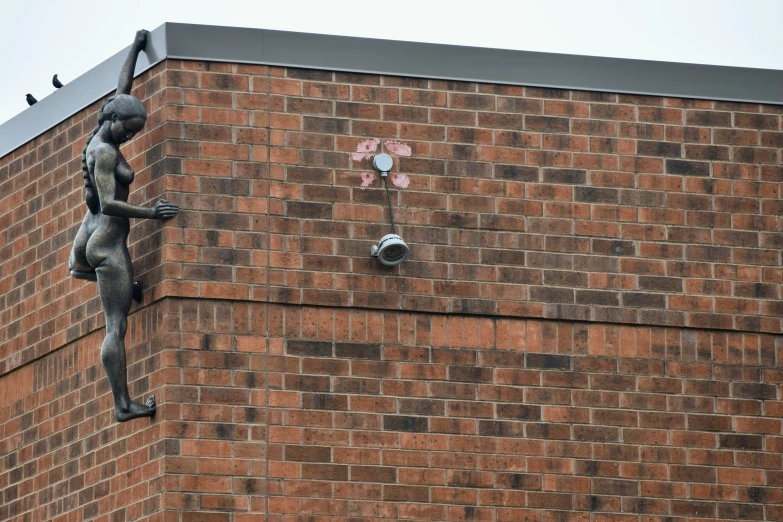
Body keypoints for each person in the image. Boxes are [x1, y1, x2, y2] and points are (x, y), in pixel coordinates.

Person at [68, 30, 178, 422]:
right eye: (128, 129)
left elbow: (122, 90)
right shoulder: (103, 152)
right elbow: (112, 204)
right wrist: (151, 212)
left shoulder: (102, 130)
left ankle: (118, 283)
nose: (131, 136)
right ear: (113, 119)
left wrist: (135, 49)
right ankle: (122, 405)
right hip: (107, 240)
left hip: (88, 236)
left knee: (91, 277)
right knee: (115, 326)